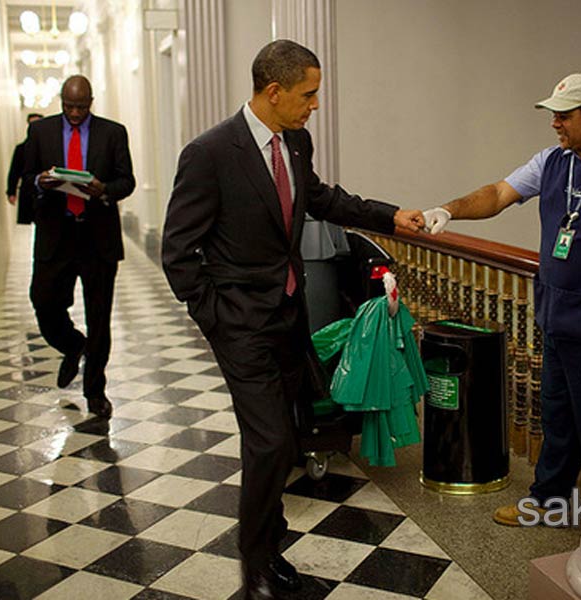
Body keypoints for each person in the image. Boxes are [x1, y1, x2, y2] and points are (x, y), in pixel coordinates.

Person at [161, 40, 424, 599]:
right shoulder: (209, 153)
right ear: (274, 91)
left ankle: (270, 545)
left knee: (284, 439)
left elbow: (323, 200)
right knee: (270, 442)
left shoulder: (295, 142)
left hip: (287, 316)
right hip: (241, 325)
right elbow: (178, 251)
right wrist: (215, 318)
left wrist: (390, 216)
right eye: (308, 94)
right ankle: (253, 564)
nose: (315, 105)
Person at [422, 72, 581, 527]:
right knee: (557, 416)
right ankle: (549, 501)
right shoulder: (551, 162)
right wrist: (448, 210)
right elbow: (499, 194)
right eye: (554, 116)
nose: (555, 124)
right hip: (557, 316)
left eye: (564, 116)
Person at [22, 75, 134, 418]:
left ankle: (95, 391)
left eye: (81, 107)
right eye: (69, 106)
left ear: (91, 102)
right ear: (60, 100)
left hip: (97, 237)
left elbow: (126, 180)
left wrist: (103, 189)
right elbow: (26, 177)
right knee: (43, 301)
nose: (74, 112)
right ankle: (73, 345)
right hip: (56, 236)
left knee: (100, 318)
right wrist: (41, 181)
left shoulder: (112, 132)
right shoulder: (40, 132)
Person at [6, 112, 43, 224]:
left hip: (46, 192)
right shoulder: (21, 149)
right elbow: (14, 170)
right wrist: (11, 191)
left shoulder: (50, 148)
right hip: (28, 191)